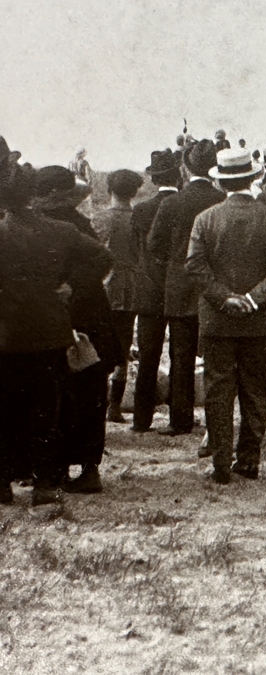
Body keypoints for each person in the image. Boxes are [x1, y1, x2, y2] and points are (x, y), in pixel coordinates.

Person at [0, 147, 111, 505]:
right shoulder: (61, 230)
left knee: (6, 407)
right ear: (32, 194)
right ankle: (46, 483)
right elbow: (103, 257)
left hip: (6, 333)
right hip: (50, 332)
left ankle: (2, 483)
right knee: (47, 408)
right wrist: (72, 286)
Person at [186, 148, 266, 484]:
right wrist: (253, 299)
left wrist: (225, 298)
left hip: (217, 320)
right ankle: (248, 460)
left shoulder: (205, 219)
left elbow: (194, 266)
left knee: (218, 389)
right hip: (258, 321)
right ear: (254, 177)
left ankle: (221, 462)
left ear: (222, 183)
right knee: (257, 389)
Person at [33, 166, 120, 495]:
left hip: (64, 322)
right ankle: (86, 468)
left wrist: (68, 288)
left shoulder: (49, 225)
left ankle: (57, 468)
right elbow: (103, 260)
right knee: (88, 397)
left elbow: (102, 259)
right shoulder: (78, 223)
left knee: (57, 396)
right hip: (86, 321)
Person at [146, 139, 225, 438]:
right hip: (214, 287)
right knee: (216, 357)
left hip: (179, 287)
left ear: (186, 168)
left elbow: (155, 245)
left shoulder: (171, 203)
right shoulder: (221, 199)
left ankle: (180, 419)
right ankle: (216, 419)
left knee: (181, 355)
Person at [130, 149, 180, 432]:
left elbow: (137, 252)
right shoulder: (184, 206)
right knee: (180, 356)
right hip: (180, 289)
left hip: (149, 289)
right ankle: (179, 416)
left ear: (153, 179)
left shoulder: (141, 210)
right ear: (178, 175)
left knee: (148, 356)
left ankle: (141, 419)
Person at [91, 168, 145, 423]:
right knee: (123, 345)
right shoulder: (139, 219)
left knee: (99, 345)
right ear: (134, 192)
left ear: (109, 189)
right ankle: (114, 406)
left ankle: (99, 403)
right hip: (132, 287)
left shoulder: (100, 218)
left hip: (104, 287)